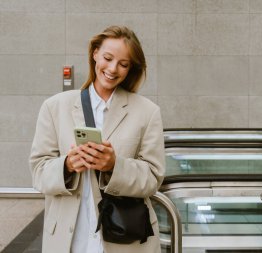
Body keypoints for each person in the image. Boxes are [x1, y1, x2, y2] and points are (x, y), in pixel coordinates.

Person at [29, 25, 165, 253]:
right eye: (108, 58)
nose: (112, 69)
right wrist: (68, 165)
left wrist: (114, 165)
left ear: (131, 68)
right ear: (94, 54)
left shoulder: (147, 112)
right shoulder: (55, 107)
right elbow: (38, 171)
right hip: (68, 238)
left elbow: (153, 177)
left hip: (125, 241)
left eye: (123, 64)